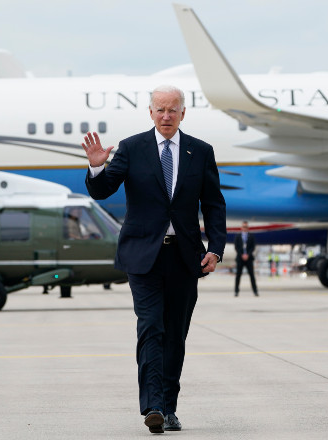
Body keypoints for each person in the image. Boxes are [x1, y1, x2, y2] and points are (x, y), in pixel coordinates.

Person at [82, 85, 226, 434]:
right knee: (151, 329)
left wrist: (216, 247)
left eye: (172, 110)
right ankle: (153, 407)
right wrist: (96, 167)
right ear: (150, 112)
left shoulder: (200, 151)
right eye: (159, 109)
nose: (165, 115)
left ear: (182, 113)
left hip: (183, 257)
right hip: (143, 256)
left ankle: (169, 406)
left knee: (175, 334)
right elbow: (102, 191)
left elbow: (214, 204)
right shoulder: (132, 148)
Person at [234, 221, 258, 296]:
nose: (245, 228)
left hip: (249, 258)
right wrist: (241, 255)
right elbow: (236, 247)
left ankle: (255, 291)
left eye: (246, 227)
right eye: (244, 227)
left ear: (248, 228)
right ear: (241, 228)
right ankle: (236, 291)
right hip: (240, 258)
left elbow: (253, 247)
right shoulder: (238, 236)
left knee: (252, 275)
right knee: (238, 275)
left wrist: (248, 255)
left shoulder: (251, 236)